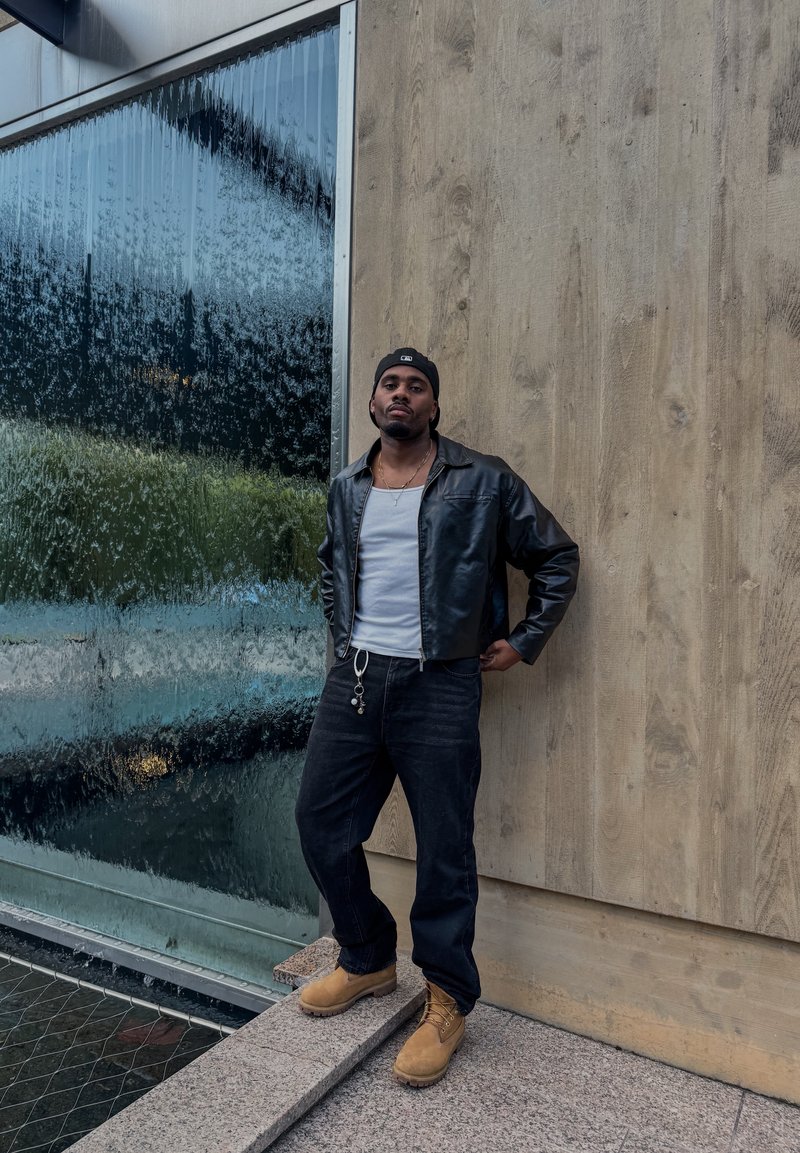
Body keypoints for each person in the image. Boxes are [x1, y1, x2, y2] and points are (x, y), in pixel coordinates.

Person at [295, 347, 579, 1087]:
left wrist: (523, 641)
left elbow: (555, 556)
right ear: (373, 403)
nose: (401, 395)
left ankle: (447, 998)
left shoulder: (480, 479)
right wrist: (342, 629)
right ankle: (365, 956)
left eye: (416, 387)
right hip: (355, 678)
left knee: (444, 847)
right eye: (390, 383)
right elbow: (331, 564)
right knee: (320, 823)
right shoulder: (347, 486)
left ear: (432, 406)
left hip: (442, 684)